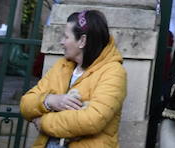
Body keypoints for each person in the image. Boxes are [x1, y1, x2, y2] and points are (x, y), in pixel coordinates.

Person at [20, 10, 126, 148]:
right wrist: (49, 101)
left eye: (66, 37)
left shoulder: (113, 72)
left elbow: (92, 120)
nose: (61, 42)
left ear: (82, 41)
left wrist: (43, 122)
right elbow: (26, 103)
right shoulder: (62, 66)